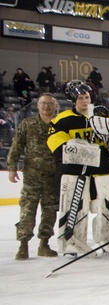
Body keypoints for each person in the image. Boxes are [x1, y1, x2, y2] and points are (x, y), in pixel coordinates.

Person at [47, 82, 109, 256]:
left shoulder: (103, 118)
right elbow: (56, 144)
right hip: (74, 172)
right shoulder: (62, 119)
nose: (84, 100)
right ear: (73, 100)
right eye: (81, 98)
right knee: (74, 208)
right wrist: (85, 151)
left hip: (103, 171)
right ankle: (72, 243)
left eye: (87, 97)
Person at [9, 93, 60, 260]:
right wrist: (12, 168)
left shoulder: (60, 124)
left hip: (53, 175)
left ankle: (44, 244)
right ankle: (23, 245)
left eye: (50, 104)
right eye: (43, 103)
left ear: (55, 106)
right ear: (38, 105)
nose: (46, 106)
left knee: (50, 210)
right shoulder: (27, 124)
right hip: (32, 174)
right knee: (27, 209)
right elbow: (16, 146)